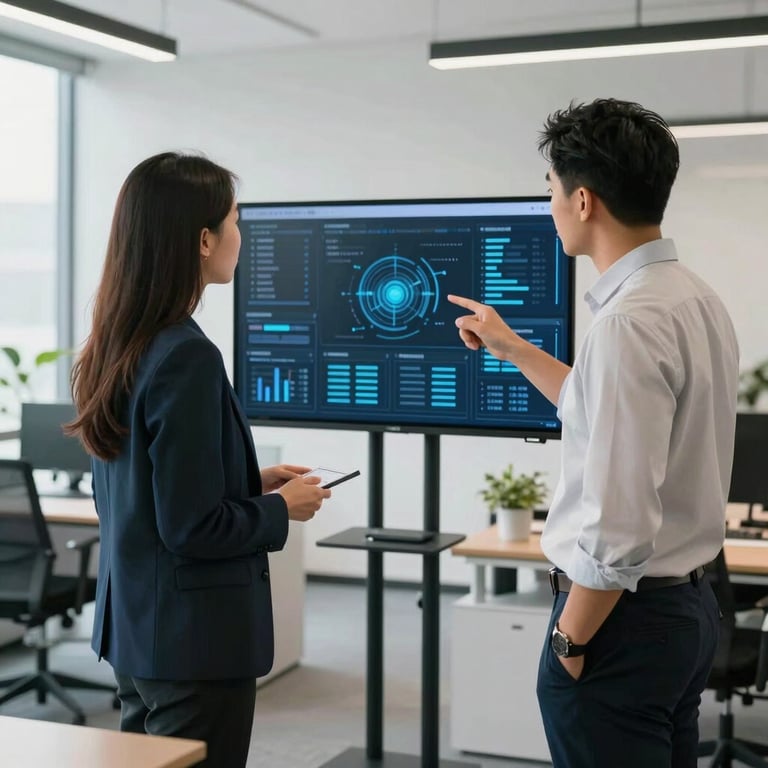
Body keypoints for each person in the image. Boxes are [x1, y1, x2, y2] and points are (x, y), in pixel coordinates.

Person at [448, 98, 739, 768]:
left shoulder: (627, 324)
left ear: (583, 201)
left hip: (620, 624)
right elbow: (597, 408)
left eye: (551, 189)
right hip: (686, 610)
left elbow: (618, 522)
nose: (549, 205)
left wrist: (569, 641)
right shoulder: (693, 298)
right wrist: (513, 348)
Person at [66, 152, 331, 768]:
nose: (242, 236)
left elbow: (138, 489)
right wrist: (280, 509)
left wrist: (247, 481)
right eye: (236, 221)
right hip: (193, 644)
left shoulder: (117, 342)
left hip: (138, 630)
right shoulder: (186, 355)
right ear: (204, 239)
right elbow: (191, 528)